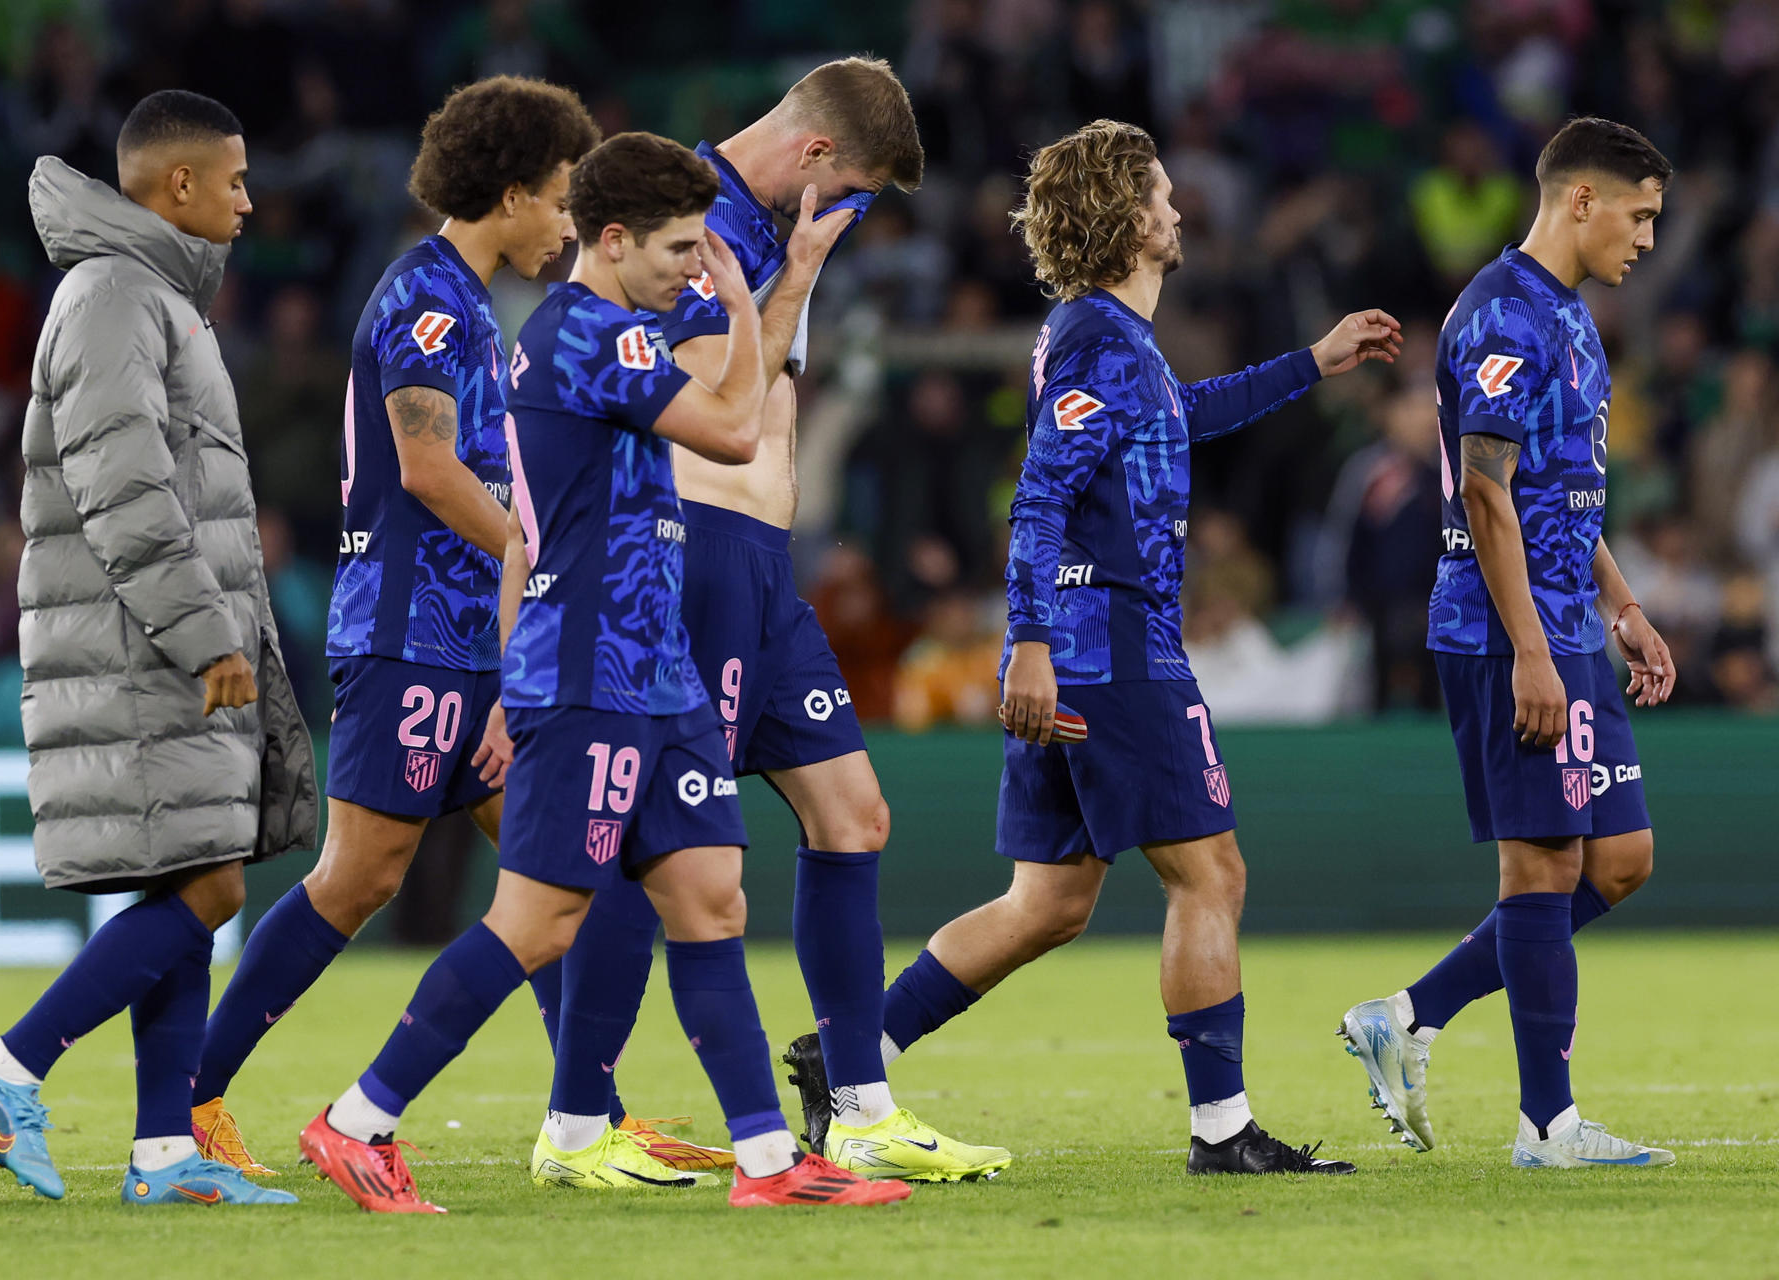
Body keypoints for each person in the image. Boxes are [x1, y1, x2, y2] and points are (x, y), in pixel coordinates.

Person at [298, 131, 906, 1212]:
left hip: (650, 667)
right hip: (588, 671)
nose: (694, 262)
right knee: (538, 921)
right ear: (613, 239)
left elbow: (705, 402)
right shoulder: (585, 335)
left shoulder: (615, 333)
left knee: (711, 894)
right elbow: (729, 427)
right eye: (678, 246)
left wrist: (765, 294)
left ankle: (769, 1164)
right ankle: (357, 1119)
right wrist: (782, 284)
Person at [824, 119, 1398, 1176]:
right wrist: (1030, 643)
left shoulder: (1106, 344)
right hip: (1110, 647)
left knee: (1046, 900)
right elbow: (1038, 494)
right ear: (1130, 217)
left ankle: (848, 1055)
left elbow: (1183, 413)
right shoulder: (1095, 338)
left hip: (1085, 644)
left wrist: (1312, 363)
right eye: (1167, 196)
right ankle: (1222, 1131)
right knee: (1211, 873)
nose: (1181, 212)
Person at [523, 55, 1010, 1186]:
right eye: (862, 191)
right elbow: (715, 419)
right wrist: (777, 281)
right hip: (698, 557)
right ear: (818, 157)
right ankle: (576, 1118)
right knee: (666, 853)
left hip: (763, 565)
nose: (860, 216)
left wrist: (792, 272)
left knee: (855, 812)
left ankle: (861, 1108)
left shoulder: (757, 234)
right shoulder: (685, 228)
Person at [181, 76, 599, 1174]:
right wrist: (531, 541)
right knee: (359, 877)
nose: (569, 220)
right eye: (559, 196)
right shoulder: (427, 299)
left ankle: (585, 1120)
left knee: (551, 870)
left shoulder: (473, 301)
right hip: (412, 628)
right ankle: (190, 1095)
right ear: (509, 194)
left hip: (472, 632)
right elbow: (424, 465)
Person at [0, 90, 317, 1207]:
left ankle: (163, 1152)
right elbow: (126, 488)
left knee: (197, 863)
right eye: (237, 179)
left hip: (147, 633)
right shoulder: (111, 295)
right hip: (141, 641)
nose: (252, 202)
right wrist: (207, 635)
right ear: (179, 184)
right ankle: (9, 1065)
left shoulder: (151, 295)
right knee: (206, 885)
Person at [1339, 117, 1678, 1170]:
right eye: (1641, 214)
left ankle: (1409, 1013)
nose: (1649, 239)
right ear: (1582, 199)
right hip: (1505, 630)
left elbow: (1562, 493)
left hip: (1571, 619)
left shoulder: (1569, 315)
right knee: (1541, 860)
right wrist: (1531, 646)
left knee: (1618, 858)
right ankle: (1548, 1125)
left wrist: (1621, 605)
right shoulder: (1497, 315)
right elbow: (1487, 495)